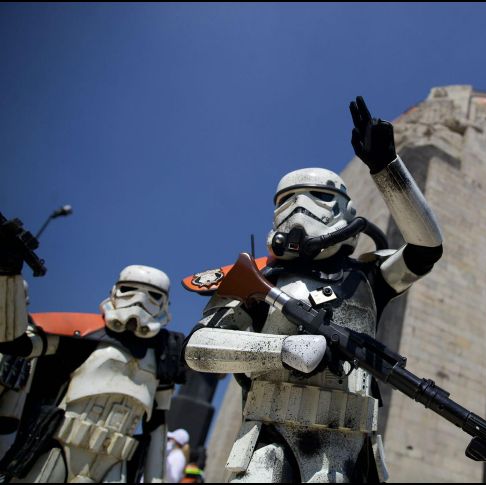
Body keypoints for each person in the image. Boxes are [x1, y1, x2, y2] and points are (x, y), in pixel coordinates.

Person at [182, 96, 444, 482]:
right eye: (286, 200)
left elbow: (425, 249)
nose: (300, 208)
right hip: (266, 442)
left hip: (348, 450)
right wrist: (282, 351)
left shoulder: (368, 277)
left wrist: (387, 169)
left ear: (346, 212)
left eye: (320, 197)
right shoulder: (256, 277)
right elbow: (200, 350)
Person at [0, 265, 186, 482]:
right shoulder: (85, 335)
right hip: (62, 445)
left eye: (153, 296)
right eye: (129, 290)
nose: (140, 301)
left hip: (115, 459)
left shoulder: (164, 355)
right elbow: (17, 344)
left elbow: (157, 425)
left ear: (165, 303)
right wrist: (7, 274)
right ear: (114, 292)